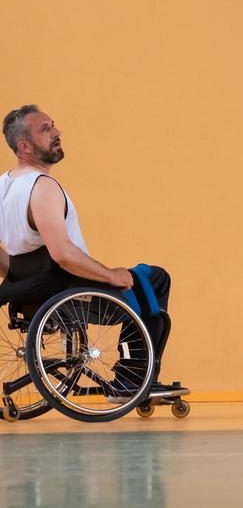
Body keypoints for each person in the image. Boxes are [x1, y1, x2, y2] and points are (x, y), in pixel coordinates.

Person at [0, 105, 178, 393]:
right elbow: (63, 255)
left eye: (53, 125)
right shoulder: (42, 188)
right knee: (152, 278)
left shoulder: (3, 187)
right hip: (68, 292)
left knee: (140, 278)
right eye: (45, 130)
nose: (56, 133)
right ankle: (132, 378)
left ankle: (132, 376)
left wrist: (21, 280)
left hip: (35, 291)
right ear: (24, 146)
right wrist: (110, 276)